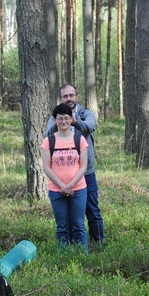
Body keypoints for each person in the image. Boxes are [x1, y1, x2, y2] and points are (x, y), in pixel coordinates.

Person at [46, 84, 105, 245]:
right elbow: (47, 134)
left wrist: (74, 121)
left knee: (92, 209)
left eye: (71, 95)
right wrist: (61, 120)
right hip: (62, 177)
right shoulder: (56, 116)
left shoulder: (86, 114)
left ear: (77, 97)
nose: (69, 99)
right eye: (65, 96)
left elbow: (90, 126)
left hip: (86, 172)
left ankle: (98, 241)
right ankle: (71, 245)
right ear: (60, 99)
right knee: (67, 216)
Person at [41, 103, 90, 253]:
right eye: (60, 118)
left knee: (78, 225)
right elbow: (46, 168)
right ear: (55, 120)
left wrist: (71, 185)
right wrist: (63, 186)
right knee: (62, 226)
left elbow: (83, 166)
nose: (63, 121)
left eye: (67, 118)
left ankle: (83, 255)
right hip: (56, 190)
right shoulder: (49, 141)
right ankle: (64, 256)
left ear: (71, 119)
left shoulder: (79, 139)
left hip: (79, 189)